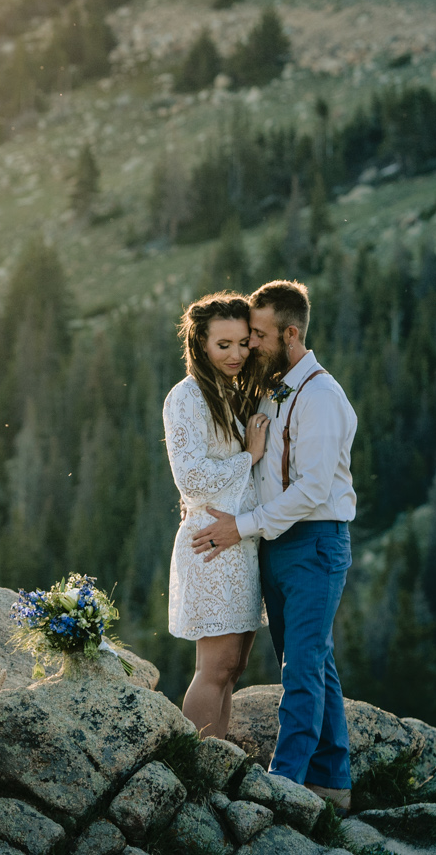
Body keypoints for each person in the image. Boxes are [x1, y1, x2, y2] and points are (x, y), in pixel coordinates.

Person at [191, 279, 357, 814]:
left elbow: (311, 488)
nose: (248, 345)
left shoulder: (323, 396)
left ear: (288, 334)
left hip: (314, 541)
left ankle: (285, 782)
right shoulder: (270, 388)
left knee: (302, 666)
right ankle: (332, 783)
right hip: (276, 543)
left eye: (256, 335)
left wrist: (242, 526)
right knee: (311, 662)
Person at [162, 291, 272, 740]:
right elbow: (190, 477)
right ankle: (197, 768)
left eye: (243, 342)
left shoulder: (229, 394)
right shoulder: (186, 396)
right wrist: (249, 456)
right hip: (211, 544)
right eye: (223, 344)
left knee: (234, 667)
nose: (236, 353)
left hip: (239, 544)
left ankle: (215, 761)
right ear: (200, 344)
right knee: (215, 667)